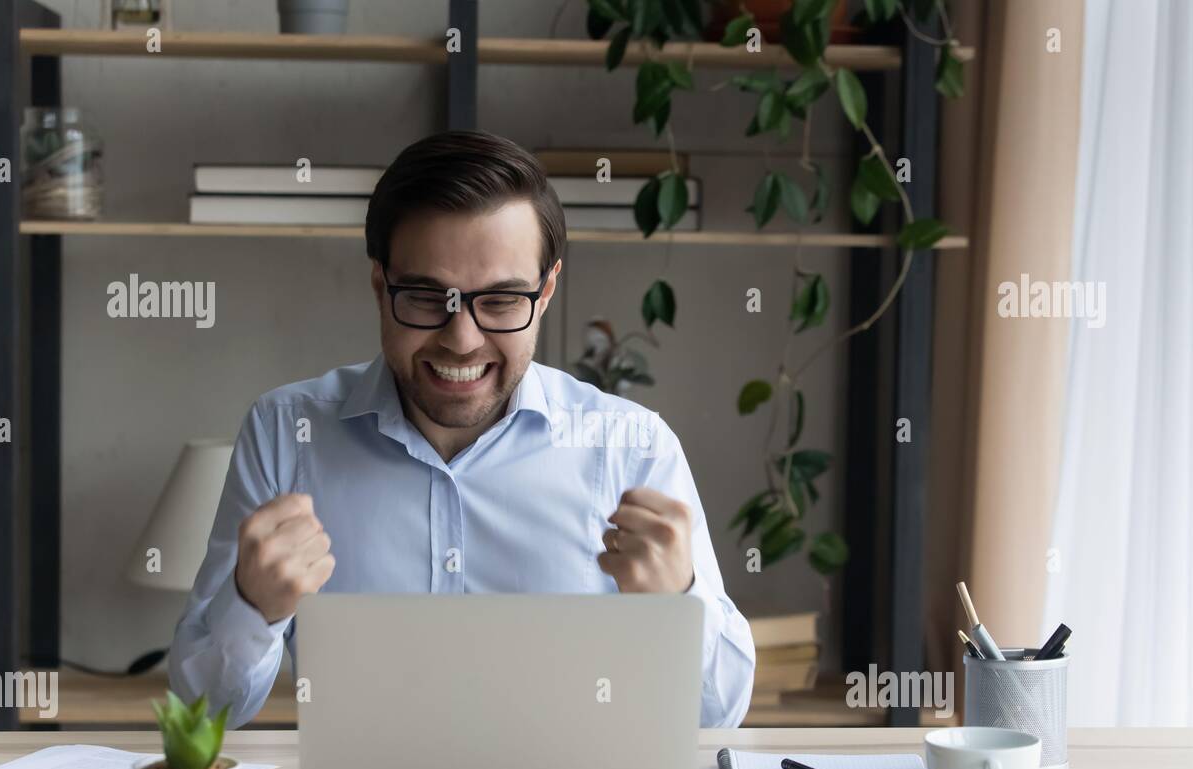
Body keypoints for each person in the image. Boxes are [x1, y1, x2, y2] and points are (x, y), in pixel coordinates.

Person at [168, 130, 755, 728]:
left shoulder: (633, 448)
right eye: (426, 297)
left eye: (500, 301)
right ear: (380, 285)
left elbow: (719, 717)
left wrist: (679, 603)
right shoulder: (283, 433)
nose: (462, 338)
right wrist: (253, 607)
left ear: (546, 291)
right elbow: (199, 711)